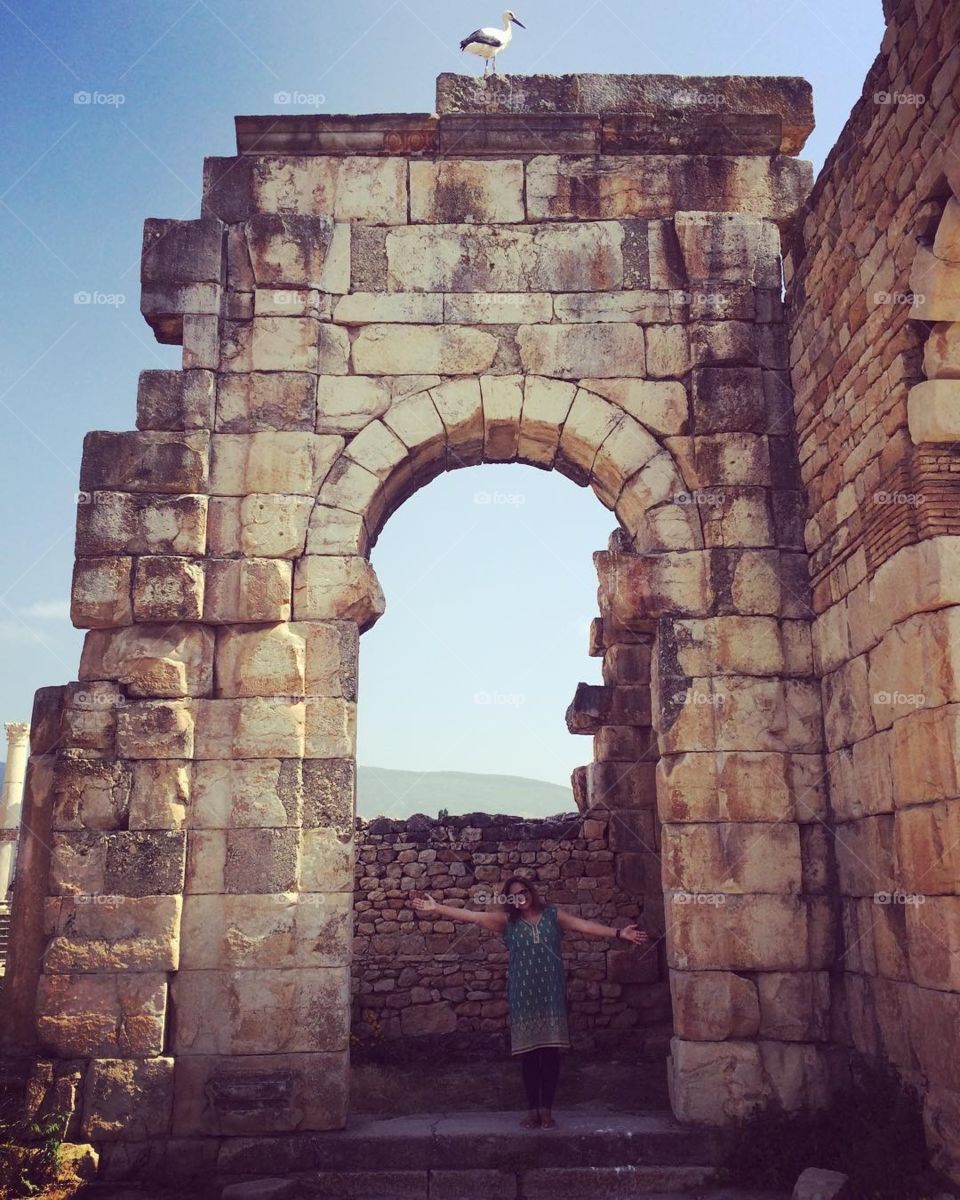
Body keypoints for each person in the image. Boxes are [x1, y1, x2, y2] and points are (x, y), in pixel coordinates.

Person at [411, 874, 650, 1129]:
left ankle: (547, 1110)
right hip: (523, 995)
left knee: (550, 1054)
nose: (520, 898)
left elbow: (584, 926)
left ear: (531, 892)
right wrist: (436, 908)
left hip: (550, 994)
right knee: (529, 1055)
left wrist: (618, 933)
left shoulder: (553, 916)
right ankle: (532, 1110)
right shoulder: (507, 922)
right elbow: (472, 916)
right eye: (514, 895)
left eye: (523, 892)